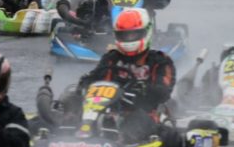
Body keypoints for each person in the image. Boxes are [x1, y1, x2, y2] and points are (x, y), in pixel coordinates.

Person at [74, 8, 176, 140]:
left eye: (133, 35)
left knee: (135, 121)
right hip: (106, 110)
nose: (128, 39)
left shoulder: (160, 61)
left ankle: (122, 141)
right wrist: (86, 83)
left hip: (144, 112)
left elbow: (164, 91)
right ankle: (65, 134)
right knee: (72, 104)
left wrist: (143, 89)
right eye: (124, 35)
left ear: (146, 32)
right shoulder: (111, 58)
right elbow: (97, 77)